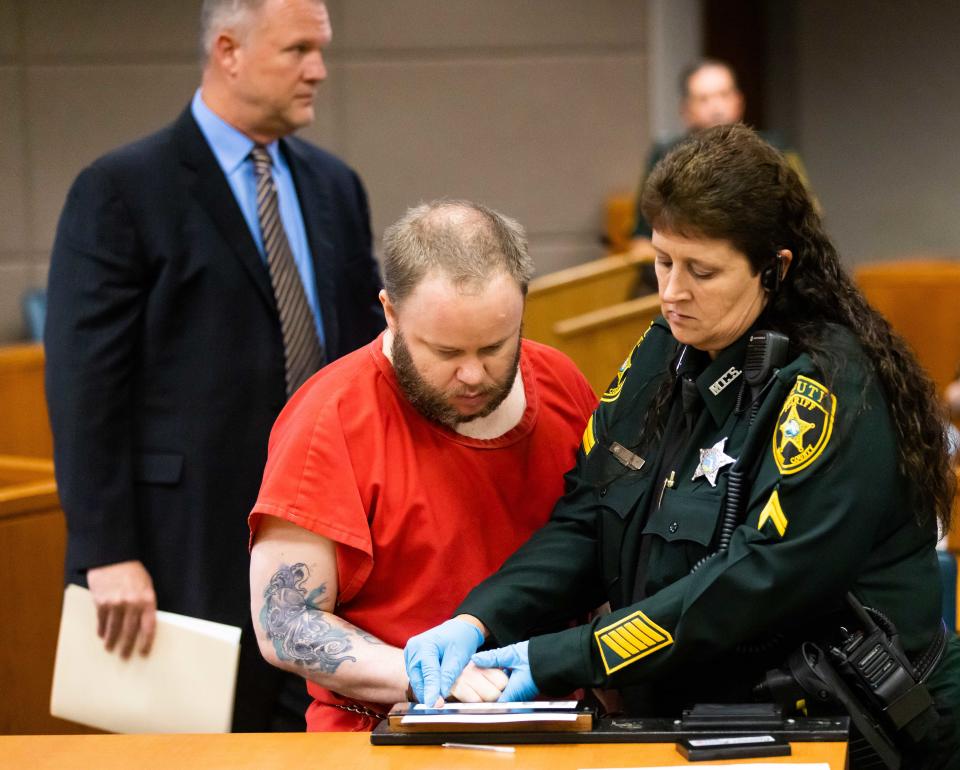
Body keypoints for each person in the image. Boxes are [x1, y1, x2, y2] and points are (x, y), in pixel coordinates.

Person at [406, 126, 960, 768]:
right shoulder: (662, 351)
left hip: (859, 731)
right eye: (663, 262)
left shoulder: (832, 386)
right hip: (709, 726)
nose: (672, 292)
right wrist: (479, 620)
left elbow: (752, 584)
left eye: (702, 271)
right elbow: (588, 515)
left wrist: (560, 657)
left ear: (774, 267)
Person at [44, 0, 384, 731]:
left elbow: (361, 361)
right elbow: (85, 388)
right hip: (181, 548)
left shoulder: (334, 186)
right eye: (298, 50)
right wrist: (106, 552)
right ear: (228, 50)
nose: (318, 70)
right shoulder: (123, 189)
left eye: (320, 50)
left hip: (327, 539)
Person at [248, 200, 597, 730]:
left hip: (557, 721)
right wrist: (425, 673)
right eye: (446, 351)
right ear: (390, 312)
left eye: (496, 346)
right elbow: (284, 621)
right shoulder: (330, 415)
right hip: (382, 729)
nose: (474, 375)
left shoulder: (562, 383)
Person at [630, 59, 810, 245]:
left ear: (739, 101)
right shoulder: (666, 155)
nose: (716, 107)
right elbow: (642, 237)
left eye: (724, 95)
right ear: (685, 110)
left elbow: (805, 218)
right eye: (704, 99)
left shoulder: (774, 150)